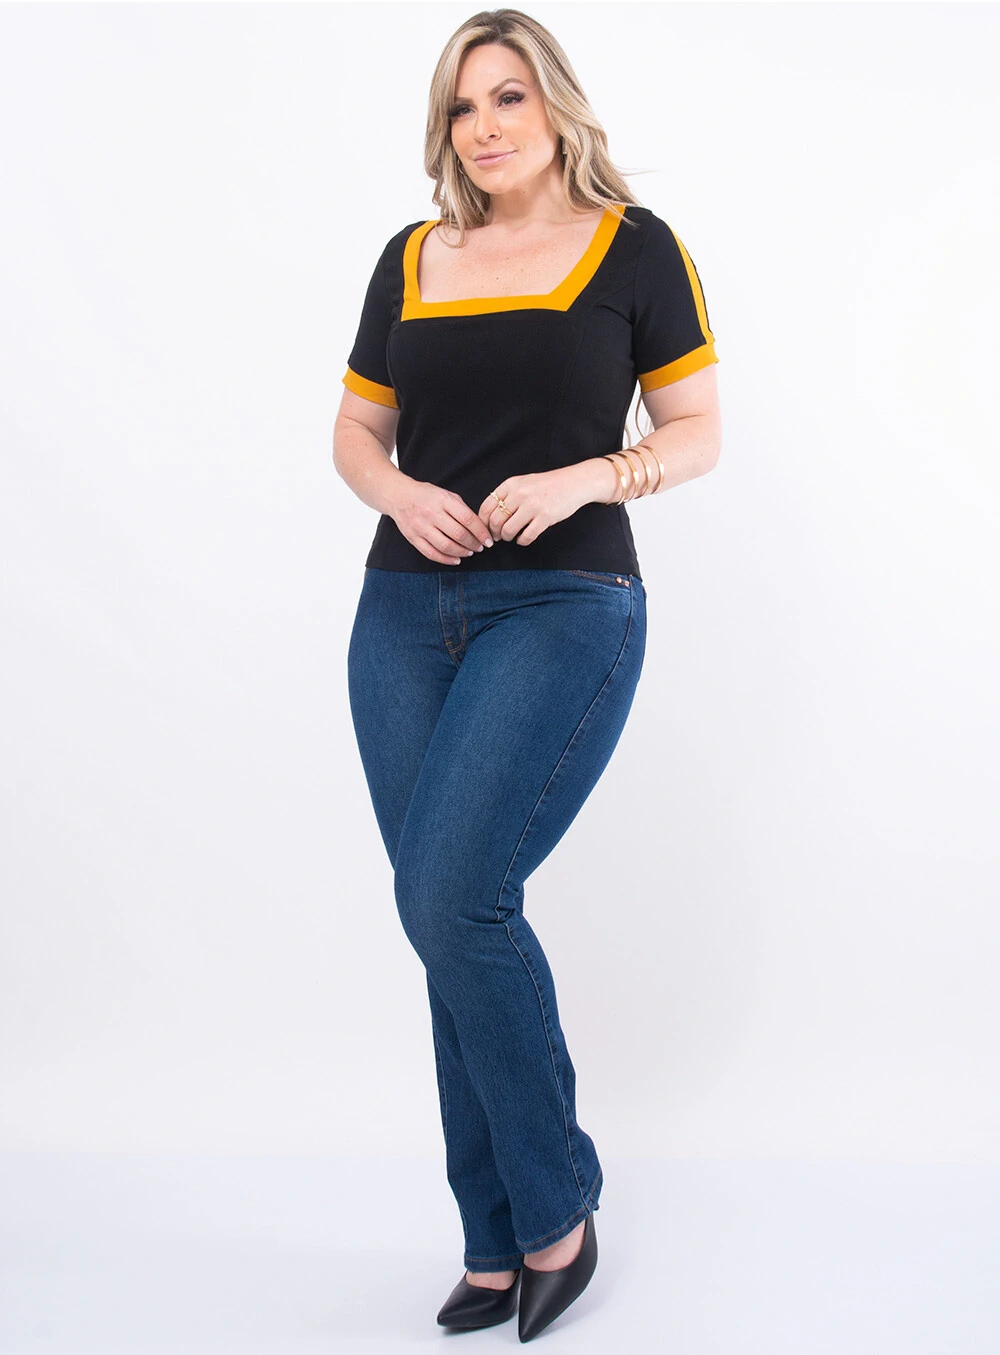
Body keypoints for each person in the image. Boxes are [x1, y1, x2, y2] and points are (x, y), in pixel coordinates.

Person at [333, 8, 721, 1342]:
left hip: (565, 603)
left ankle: (556, 1211)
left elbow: (698, 429)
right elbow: (357, 433)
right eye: (461, 105)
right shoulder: (412, 256)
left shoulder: (634, 246)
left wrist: (584, 478)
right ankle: (491, 1239)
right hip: (402, 612)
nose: (485, 126)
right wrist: (398, 493)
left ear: (555, 104)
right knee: (441, 912)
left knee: (454, 894)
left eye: (507, 96)